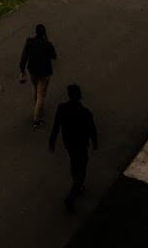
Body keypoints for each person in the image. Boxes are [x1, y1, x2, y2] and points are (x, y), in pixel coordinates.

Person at [49, 83, 100, 212]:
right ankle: (72, 194)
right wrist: (95, 142)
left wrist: (52, 141)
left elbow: (56, 126)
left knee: (74, 164)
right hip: (81, 144)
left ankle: (77, 185)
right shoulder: (85, 112)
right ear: (80, 96)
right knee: (82, 168)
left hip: (69, 144)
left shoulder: (62, 108)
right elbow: (92, 129)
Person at [19, 24, 58, 128]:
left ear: (36, 32)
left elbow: (24, 57)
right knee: (41, 95)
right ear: (44, 33)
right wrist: (48, 43)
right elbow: (54, 56)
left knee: (35, 89)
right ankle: (37, 120)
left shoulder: (29, 42)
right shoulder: (47, 44)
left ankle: (37, 107)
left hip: (33, 72)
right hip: (44, 73)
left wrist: (22, 70)